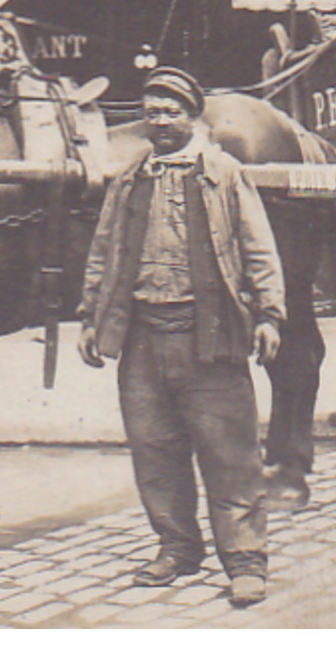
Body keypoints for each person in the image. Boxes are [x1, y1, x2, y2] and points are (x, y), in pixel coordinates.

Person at [77, 66, 285, 608]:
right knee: (154, 450)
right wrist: (89, 319)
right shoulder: (129, 179)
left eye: (171, 111)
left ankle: (244, 562)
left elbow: (258, 248)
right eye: (152, 112)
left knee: (229, 453)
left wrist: (269, 315)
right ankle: (177, 548)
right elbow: (102, 254)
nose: (161, 121)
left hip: (208, 333)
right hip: (143, 337)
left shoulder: (223, 173)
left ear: (192, 116)